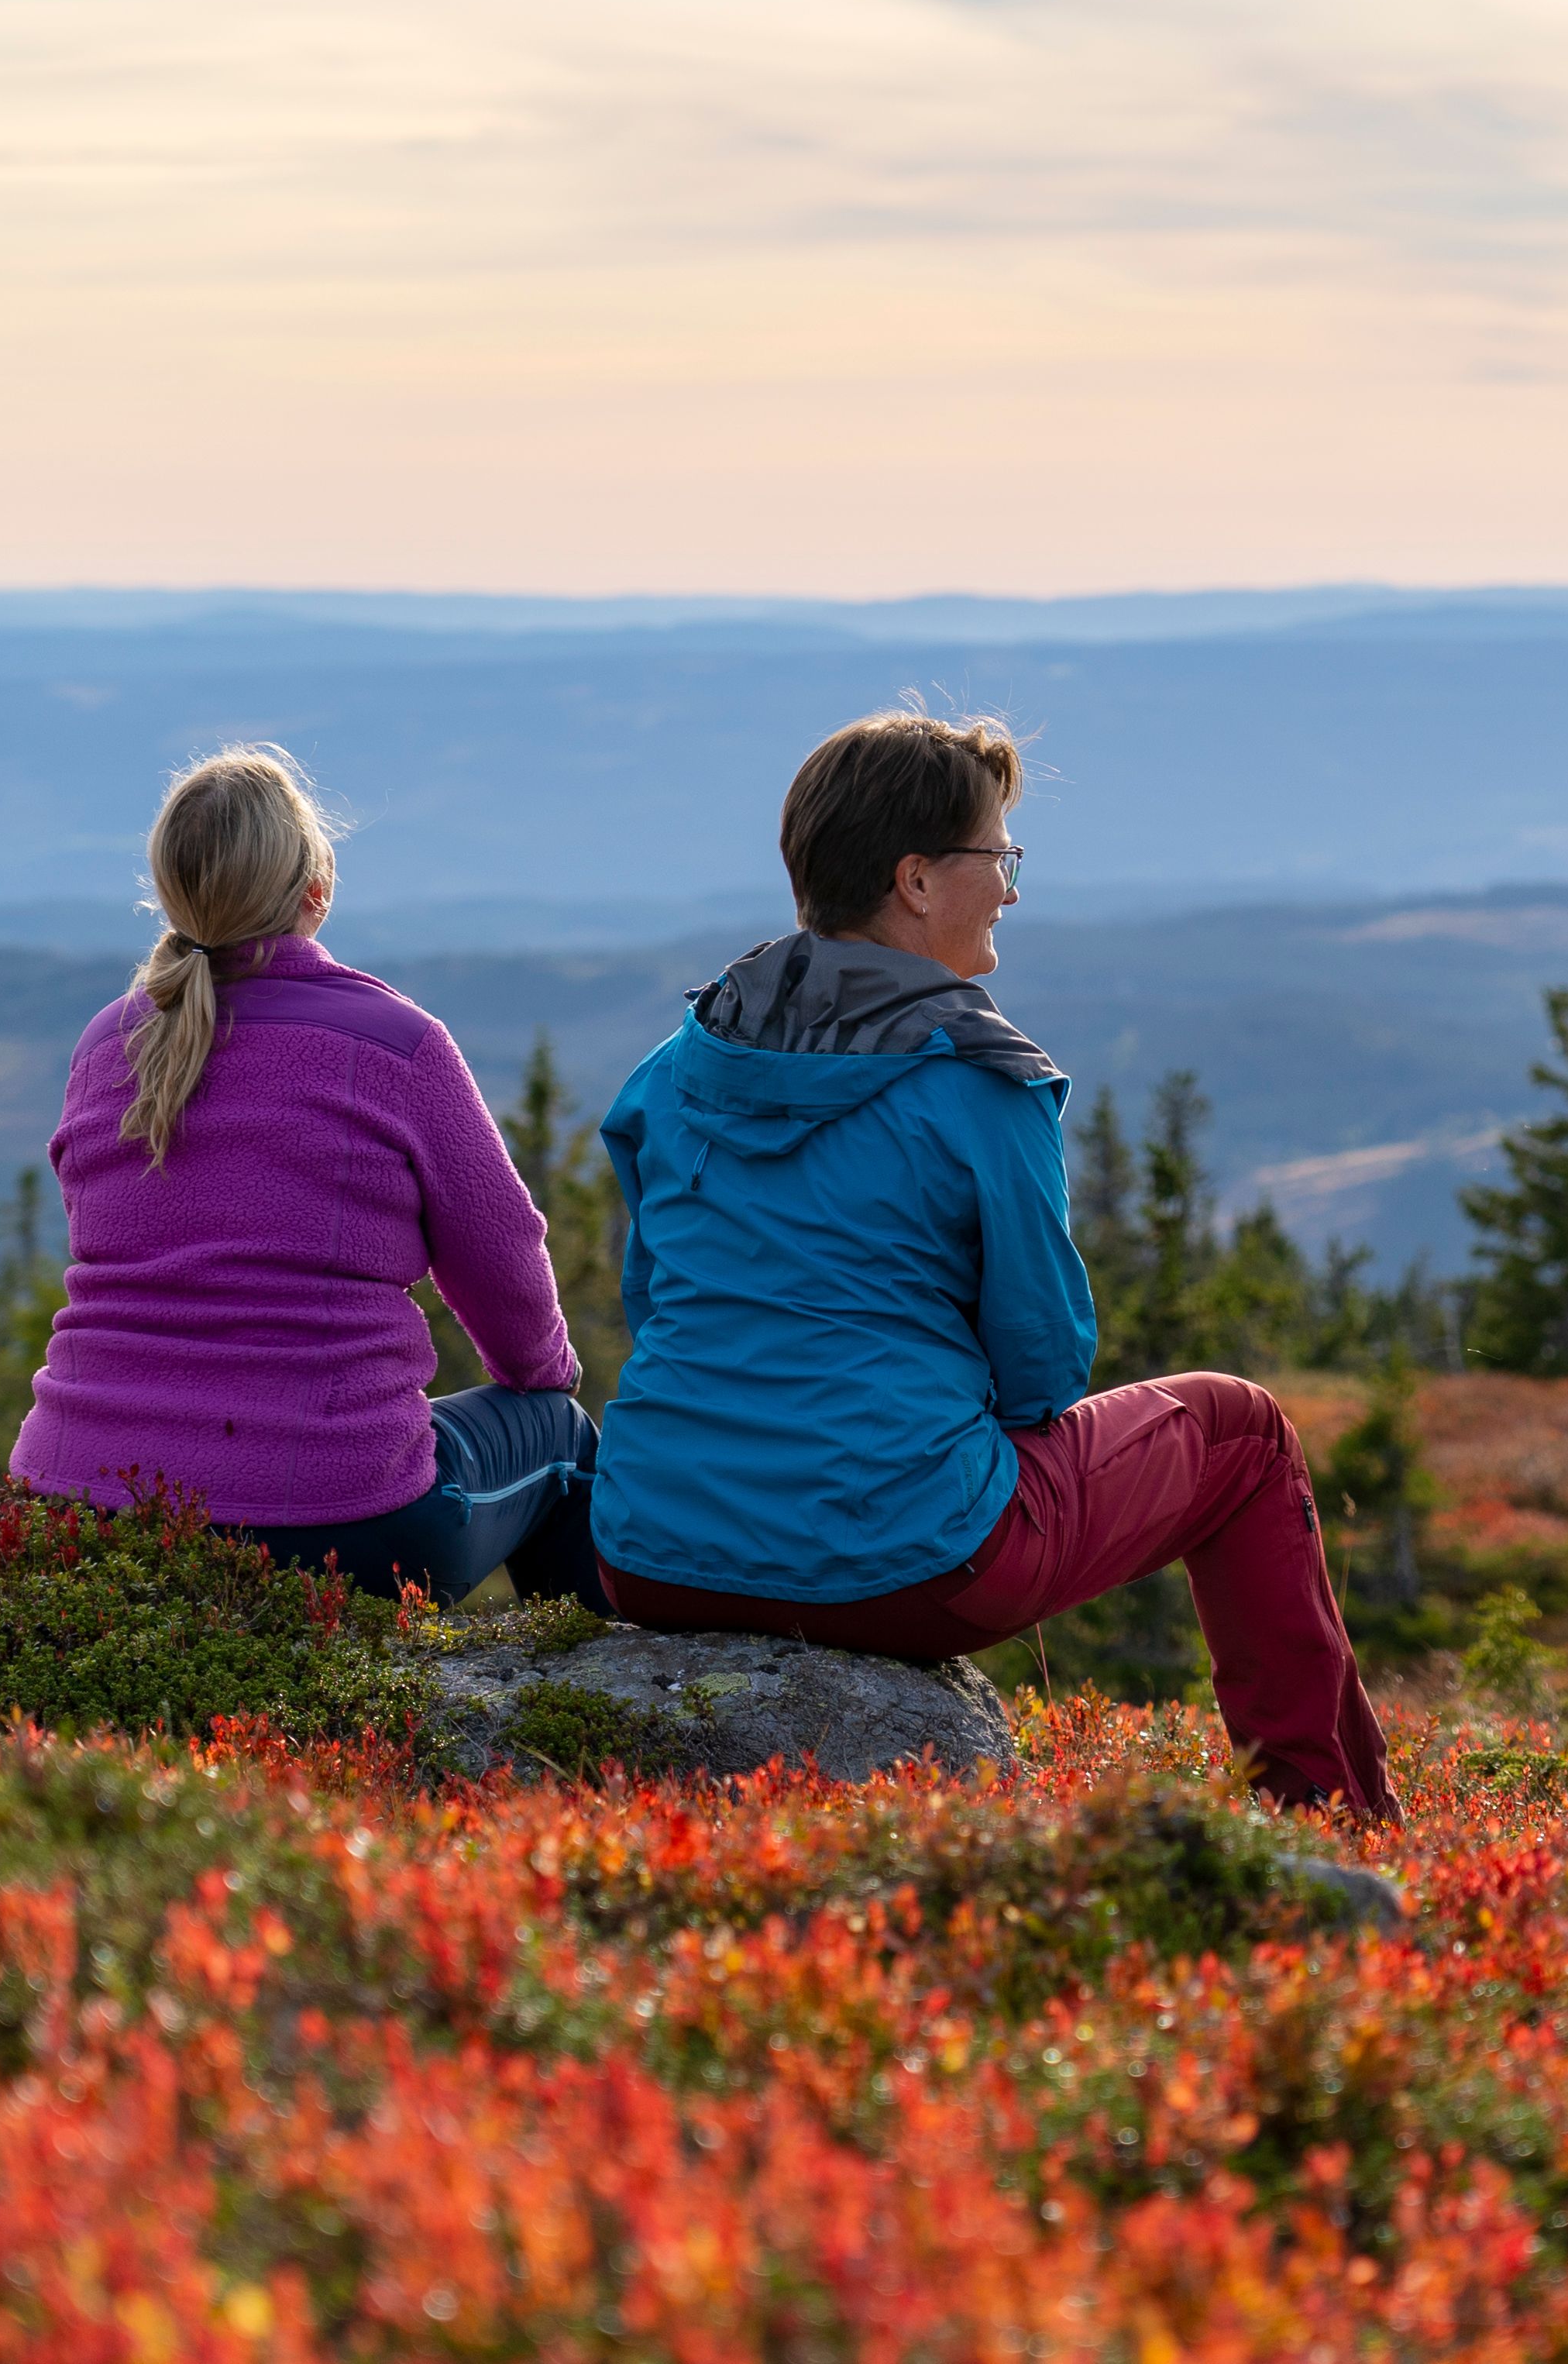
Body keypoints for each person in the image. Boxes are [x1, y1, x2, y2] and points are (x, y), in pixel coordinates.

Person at [586, 709, 1401, 1821]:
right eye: (998, 857)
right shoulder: (979, 1081)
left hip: (654, 1556)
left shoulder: (673, 1070)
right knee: (1242, 1432)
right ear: (918, 881)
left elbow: (656, 1307)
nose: (1012, 888)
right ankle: (1332, 1812)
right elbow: (1042, 1369)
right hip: (915, 1570)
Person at [11, 744, 610, 1610]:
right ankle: (589, 1707)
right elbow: (501, 1247)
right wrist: (540, 1371)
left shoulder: (110, 1042)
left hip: (74, 1504)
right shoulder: (394, 1045)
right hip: (334, 1522)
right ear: (315, 891)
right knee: (556, 1435)